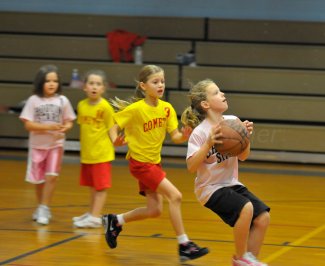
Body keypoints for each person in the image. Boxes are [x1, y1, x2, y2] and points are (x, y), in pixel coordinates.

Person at [102, 65, 209, 262]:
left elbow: (175, 136)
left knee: (154, 210)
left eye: (162, 81)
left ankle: (115, 221)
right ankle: (184, 245)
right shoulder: (136, 109)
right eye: (155, 82)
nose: (160, 85)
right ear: (143, 86)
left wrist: (186, 135)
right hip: (141, 164)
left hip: (154, 164)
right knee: (175, 196)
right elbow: (113, 126)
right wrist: (114, 139)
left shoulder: (166, 109)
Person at [181, 79, 270, 266]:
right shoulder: (200, 132)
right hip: (209, 188)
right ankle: (241, 258)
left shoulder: (233, 122)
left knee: (262, 217)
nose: (222, 94)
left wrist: (245, 137)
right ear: (205, 104)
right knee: (246, 208)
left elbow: (244, 156)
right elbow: (191, 167)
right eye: (216, 92)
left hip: (231, 183)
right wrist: (208, 144)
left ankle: (250, 260)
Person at [20, 64, 76, 225]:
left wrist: (66, 128)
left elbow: (69, 121)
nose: (52, 84)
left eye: (55, 81)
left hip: (55, 145)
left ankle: (45, 207)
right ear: (40, 83)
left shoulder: (62, 100)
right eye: (48, 81)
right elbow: (28, 125)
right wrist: (48, 127)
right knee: (39, 180)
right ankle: (40, 206)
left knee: (52, 176)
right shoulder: (33, 100)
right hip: (37, 146)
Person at [72, 70, 115, 228]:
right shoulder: (81, 105)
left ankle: (96, 217)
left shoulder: (105, 107)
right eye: (91, 83)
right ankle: (91, 213)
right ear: (84, 87)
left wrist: (117, 141)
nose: (94, 87)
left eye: (98, 84)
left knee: (101, 187)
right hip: (87, 155)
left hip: (101, 155)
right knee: (92, 186)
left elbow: (112, 128)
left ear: (103, 88)